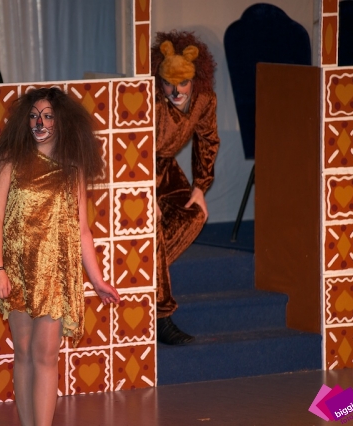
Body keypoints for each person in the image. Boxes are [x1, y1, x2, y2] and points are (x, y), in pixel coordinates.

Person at [0, 88, 120, 426]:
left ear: (61, 122)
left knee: (46, 355)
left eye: (47, 116)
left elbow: (83, 230)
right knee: (23, 351)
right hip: (17, 269)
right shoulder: (11, 161)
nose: (40, 123)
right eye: (34, 116)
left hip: (56, 274)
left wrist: (98, 280)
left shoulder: (72, 169)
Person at [150, 31, 220, 345]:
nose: (176, 91)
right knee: (151, 230)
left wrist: (201, 186)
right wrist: (144, 193)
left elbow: (207, 140)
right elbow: (134, 147)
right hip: (141, 170)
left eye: (183, 83)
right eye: (169, 83)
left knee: (194, 215)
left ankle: (144, 272)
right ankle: (161, 316)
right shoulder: (150, 102)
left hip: (168, 171)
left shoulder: (205, 100)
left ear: (195, 79)